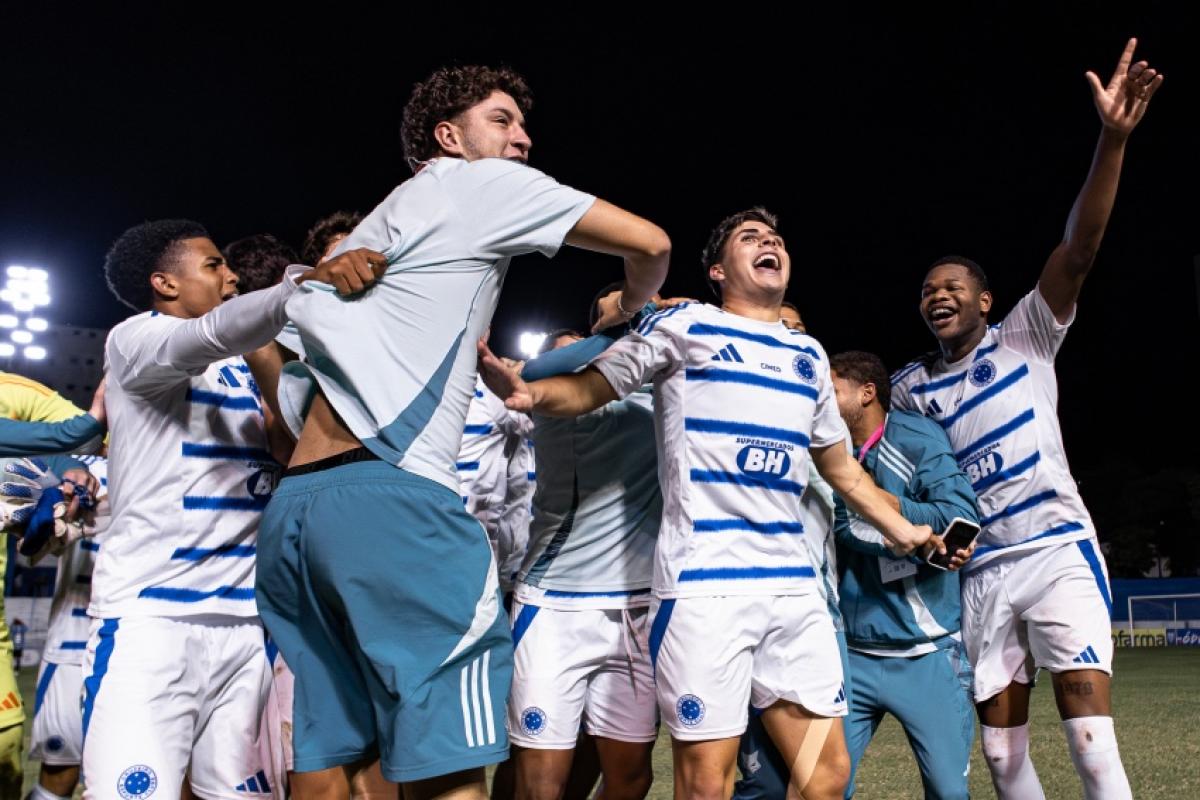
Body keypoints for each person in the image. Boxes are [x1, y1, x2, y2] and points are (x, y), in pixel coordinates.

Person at [256, 64, 669, 800]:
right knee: (447, 768)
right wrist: (632, 308)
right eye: (502, 120)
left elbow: (277, 374)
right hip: (393, 492)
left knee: (339, 751)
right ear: (448, 137)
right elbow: (650, 243)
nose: (523, 137)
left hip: (298, 508)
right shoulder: (481, 183)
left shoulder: (374, 226)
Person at [479, 207, 937, 800]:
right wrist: (530, 392)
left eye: (776, 237)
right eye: (751, 237)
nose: (770, 242)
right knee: (704, 784)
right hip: (705, 589)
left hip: (793, 590)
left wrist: (904, 531)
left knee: (827, 779)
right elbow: (594, 386)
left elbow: (842, 469)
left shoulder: (808, 356)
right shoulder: (687, 325)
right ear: (717, 271)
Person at [890, 39, 1162, 800]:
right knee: (1002, 756)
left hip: (1053, 551)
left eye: (952, 286)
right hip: (979, 572)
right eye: (926, 291)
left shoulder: (1025, 338)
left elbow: (1080, 248)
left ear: (984, 300)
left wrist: (1112, 138)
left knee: (1089, 737)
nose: (937, 296)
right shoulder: (909, 390)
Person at [83, 217, 376, 800]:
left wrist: (268, 350)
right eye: (213, 265)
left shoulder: (243, 363)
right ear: (166, 284)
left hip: (243, 625)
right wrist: (301, 284)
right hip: (154, 622)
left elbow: (295, 444)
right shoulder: (136, 340)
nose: (232, 275)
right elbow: (214, 333)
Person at [829, 350, 977, 799]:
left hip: (926, 650)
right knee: (821, 787)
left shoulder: (916, 438)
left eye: (832, 391)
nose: (820, 400)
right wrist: (902, 531)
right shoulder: (824, 448)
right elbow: (841, 524)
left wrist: (886, 505)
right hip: (850, 654)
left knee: (949, 793)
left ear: (866, 393)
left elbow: (959, 514)